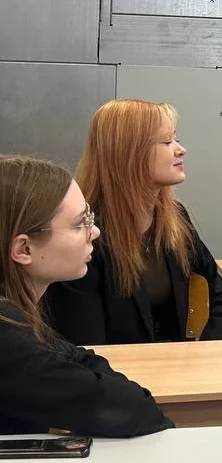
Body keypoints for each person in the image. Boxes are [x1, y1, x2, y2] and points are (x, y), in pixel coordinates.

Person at [0, 155, 173, 437]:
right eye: (79, 223)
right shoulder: (7, 337)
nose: (95, 231)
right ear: (24, 249)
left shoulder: (16, 316)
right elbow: (132, 409)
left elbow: (79, 359)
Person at [45, 100, 222, 345]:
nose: (181, 150)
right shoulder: (86, 235)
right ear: (130, 153)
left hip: (178, 362)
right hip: (112, 367)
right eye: (166, 142)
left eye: (176, 139)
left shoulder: (174, 219)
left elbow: (217, 293)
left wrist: (206, 353)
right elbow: (85, 343)